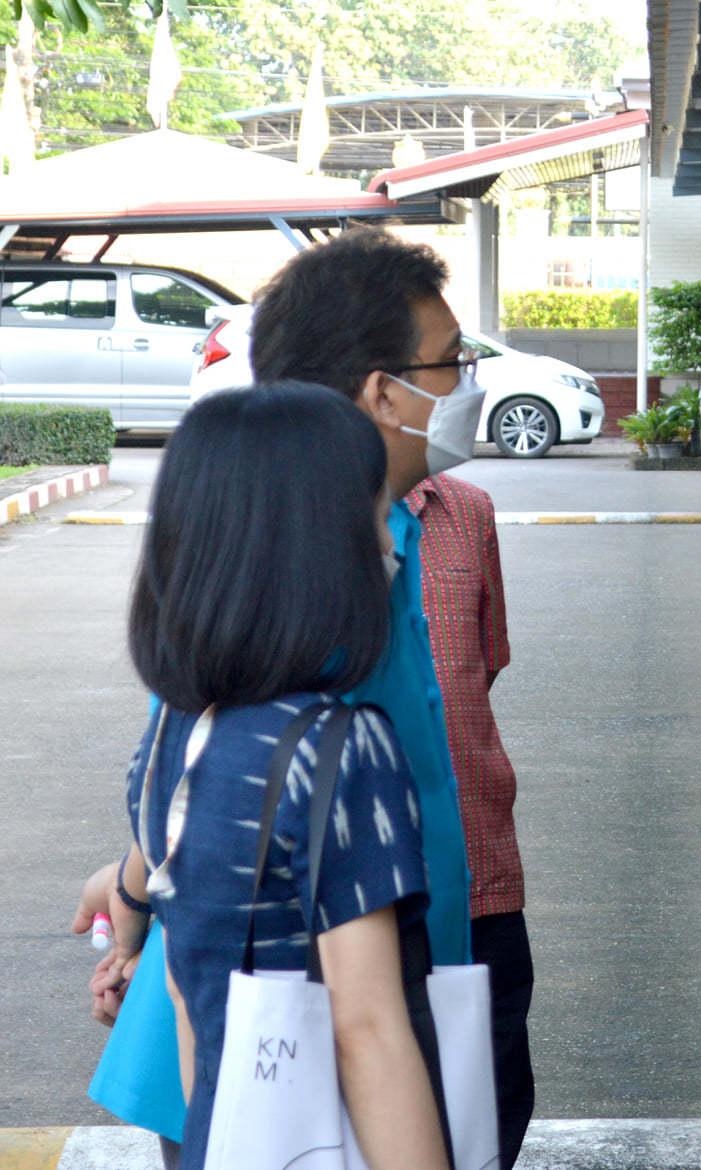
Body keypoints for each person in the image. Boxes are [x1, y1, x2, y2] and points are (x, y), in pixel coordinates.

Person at [82, 231, 488, 1163]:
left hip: (237, 1101)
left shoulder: (195, 699)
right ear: (383, 390)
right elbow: (368, 1027)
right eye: (451, 363)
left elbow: (169, 843)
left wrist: (134, 902)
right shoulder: (341, 737)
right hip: (337, 1074)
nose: (466, 383)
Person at [116, 383, 449, 1170]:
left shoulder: (174, 734)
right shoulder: (338, 750)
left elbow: (187, 1000)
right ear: (316, 553)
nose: (390, 546)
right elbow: (366, 1032)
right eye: (374, 518)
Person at [405, 472, 534, 1166]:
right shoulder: (298, 508)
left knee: (495, 1076)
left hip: (477, 856)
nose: (461, 387)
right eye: (448, 364)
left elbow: (484, 661)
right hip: (361, 885)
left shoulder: (466, 510)